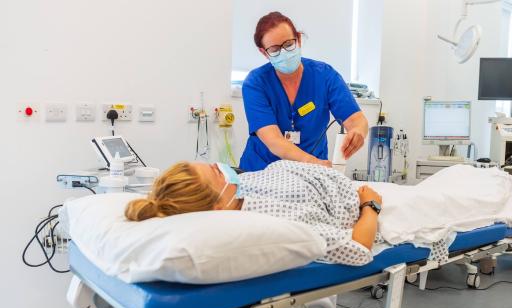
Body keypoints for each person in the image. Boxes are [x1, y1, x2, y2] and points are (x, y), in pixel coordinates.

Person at [125, 160, 383, 265]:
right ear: (217, 206)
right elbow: (359, 249)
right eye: (216, 172)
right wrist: (370, 206)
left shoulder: (239, 191)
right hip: (362, 197)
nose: (220, 166)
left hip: (337, 183)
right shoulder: (274, 224)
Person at [239, 11, 369, 171]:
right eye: (274, 49)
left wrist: (358, 132)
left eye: (288, 45)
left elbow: (356, 119)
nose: (284, 53)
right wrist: (312, 163)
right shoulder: (256, 83)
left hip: (313, 174)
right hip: (262, 171)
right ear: (264, 52)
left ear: (299, 39)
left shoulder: (325, 76)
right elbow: (273, 140)